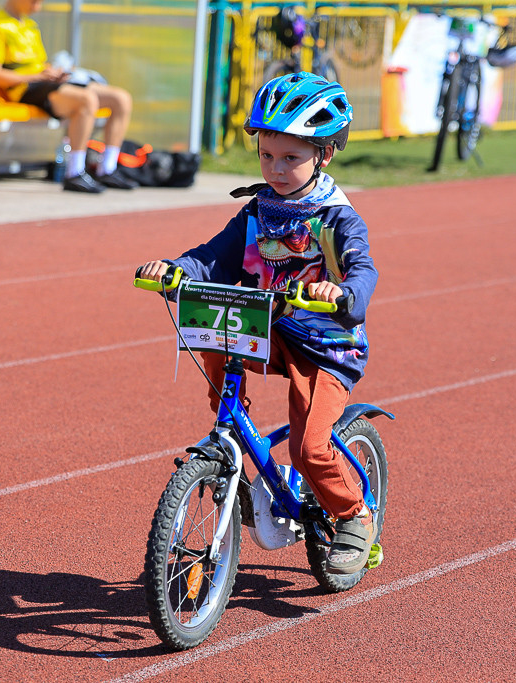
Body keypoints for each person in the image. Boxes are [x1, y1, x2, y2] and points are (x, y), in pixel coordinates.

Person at [137, 72, 379, 575]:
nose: (276, 168)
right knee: (213, 325)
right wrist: (176, 269)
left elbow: (362, 270)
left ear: (324, 156)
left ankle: (354, 515)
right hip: (264, 327)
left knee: (309, 446)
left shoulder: (336, 219)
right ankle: (231, 435)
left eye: (291, 158)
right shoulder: (256, 211)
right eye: (267, 155)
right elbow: (214, 255)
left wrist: (343, 293)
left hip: (323, 343)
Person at [0, 0, 136, 193]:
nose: (39, 4)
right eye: (34, 0)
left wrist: (55, 72)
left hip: (47, 83)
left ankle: (107, 169)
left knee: (121, 98)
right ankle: (75, 173)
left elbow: (38, 64)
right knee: (87, 100)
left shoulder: (30, 25)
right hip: (25, 90)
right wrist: (37, 76)